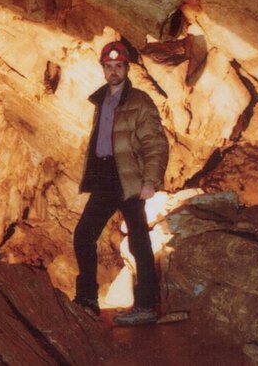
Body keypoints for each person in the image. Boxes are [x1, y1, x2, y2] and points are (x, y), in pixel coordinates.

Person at [73, 40, 169, 325]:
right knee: (84, 235)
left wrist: (151, 180)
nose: (113, 71)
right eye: (109, 66)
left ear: (127, 68)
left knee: (139, 241)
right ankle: (88, 299)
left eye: (118, 66)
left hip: (128, 179)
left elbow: (156, 143)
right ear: (103, 69)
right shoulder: (101, 100)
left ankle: (146, 305)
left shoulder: (139, 100)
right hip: (104, 177)